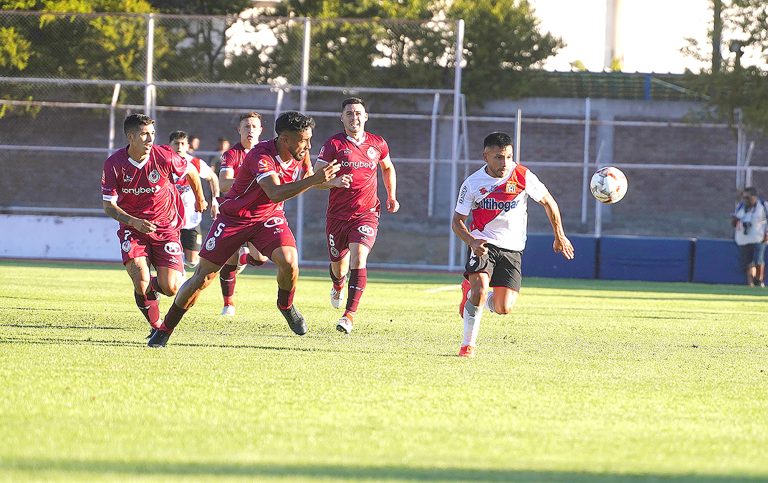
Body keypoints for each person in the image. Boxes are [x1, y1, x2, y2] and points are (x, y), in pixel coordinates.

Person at [147, 111, 350, 348]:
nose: (308, 146)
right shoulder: (260, 156)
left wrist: (330, 182)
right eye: (303, 140)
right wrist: (315, 180)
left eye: (309, 139)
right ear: (285, 139)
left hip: (269, 217)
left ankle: (285, 305)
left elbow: (309, 180)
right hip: (235, 219)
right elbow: (275, 192)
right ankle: (165, 330)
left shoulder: (299, 152)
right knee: (203, 277)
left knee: (289, 260)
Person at [452, 132, 574, 358]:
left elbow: (549, 202)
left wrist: (560, 235)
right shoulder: (472, 183)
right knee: (480, 291)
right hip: (483, 243)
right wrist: (471, 241)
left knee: (504, 308)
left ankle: (471, 295)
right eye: (498, 157)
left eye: (508, 157)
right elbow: (457, 221)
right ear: (485, 156)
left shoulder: (523, 176)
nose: (505, 163)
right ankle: (467, 345)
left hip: (513, 248)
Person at [102, 114, 207, 334]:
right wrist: (134, 222)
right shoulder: (114, 164)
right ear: (131, 137)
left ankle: (150, 286)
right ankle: (157, 326)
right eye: (144, 134)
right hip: (133, 229)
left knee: (171, 287)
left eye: (152, 133)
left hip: (166, 227)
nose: (150, 139)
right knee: (140, 281)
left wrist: (200, 199)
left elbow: (191, 171)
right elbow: (109, 206)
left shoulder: (164, 156)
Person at [315, 97, 399, 335]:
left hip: (366, 213)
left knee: (359, 258)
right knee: (339, 268)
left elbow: (387, 167)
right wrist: (334, 182)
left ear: (366, 116)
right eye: (349, 113)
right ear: (342, 118)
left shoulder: (377, 143)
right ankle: (338, 284)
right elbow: (315, 180)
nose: (355, 117)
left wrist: (391, 195)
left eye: (359, 113)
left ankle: (349, 316)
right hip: (337, 216)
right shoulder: (333, 144)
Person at [217, 112, 269, 316]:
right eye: (246, 126)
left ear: (261, 130)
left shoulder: (267, 152)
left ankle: (244, 258)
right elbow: (223, 184)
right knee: (230, 259)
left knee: (261, 258)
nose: (250, 130)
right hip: (235, 214)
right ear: (239, 129)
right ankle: (228, 304)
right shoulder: (231, 154)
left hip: (258, 214)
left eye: (254, 126)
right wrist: (255, 182)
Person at [169, 130, 220, 270]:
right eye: (176, 143)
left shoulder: (195, 163)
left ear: (187, 145)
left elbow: (213, 177)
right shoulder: (163, 162)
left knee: (192, 261)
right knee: (171, 257)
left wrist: (215, 200)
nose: (179, 147)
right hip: (169, 220)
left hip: (191, 219)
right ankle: (176, 274)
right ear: (170, 145)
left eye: (182, 143)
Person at [731, 186, 768, 287]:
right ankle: (750, 283)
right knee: (747, 262)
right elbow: (735, 222)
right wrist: (735, 220)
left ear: (754, 197)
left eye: (748, 198)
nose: (745, 200)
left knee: (758, 260)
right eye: (744, 198)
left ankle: (759, 280)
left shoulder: (763, 206)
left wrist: (767, 233)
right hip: (744, 238)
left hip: (759, 237)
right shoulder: (740, 206)